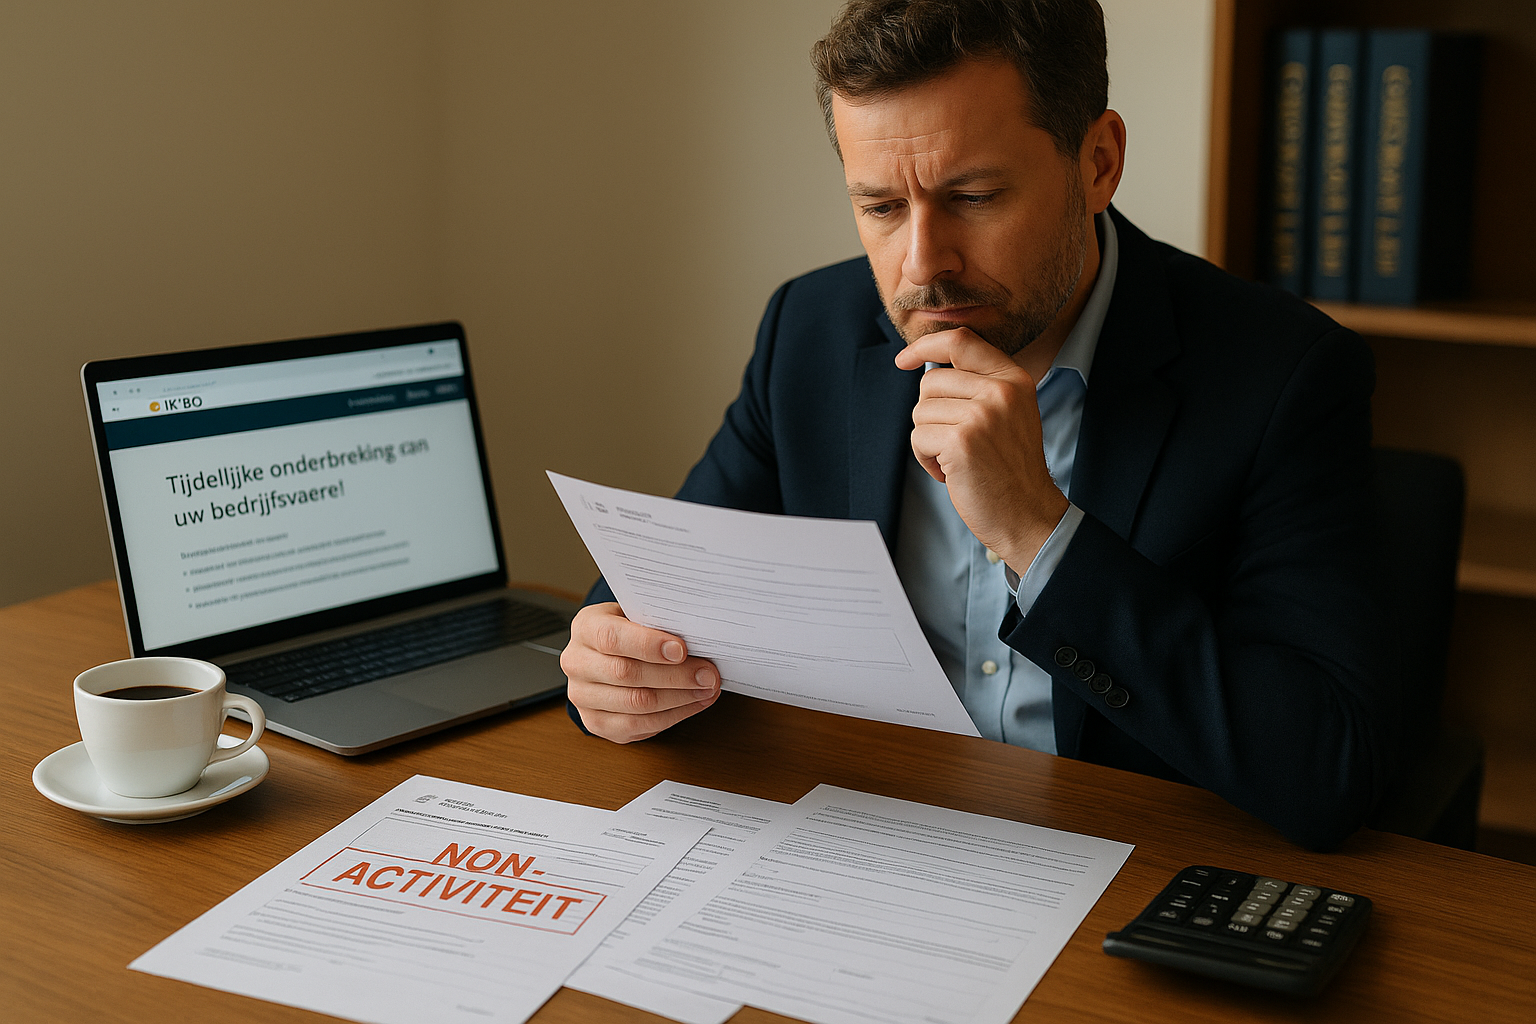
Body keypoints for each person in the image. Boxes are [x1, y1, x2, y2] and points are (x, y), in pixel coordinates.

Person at [560, 0, 1396, 851]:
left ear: (1098, 163)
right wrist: (613, 669)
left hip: (1122, 868)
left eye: (975, 195)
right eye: (881, 208)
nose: (923, 264)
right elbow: (659, 586)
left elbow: (1327, 769)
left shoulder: (1284, 374)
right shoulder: (809, 331)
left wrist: (1039, 530)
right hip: (857, 840)